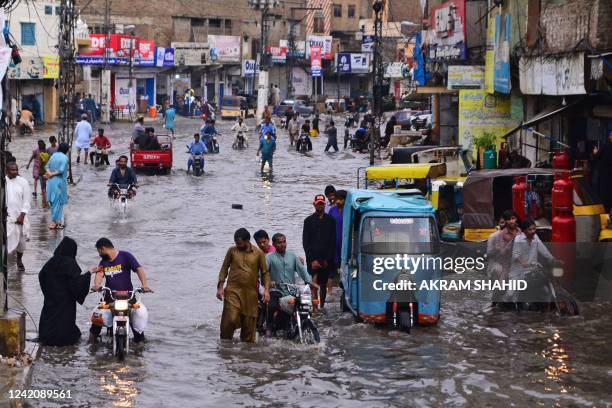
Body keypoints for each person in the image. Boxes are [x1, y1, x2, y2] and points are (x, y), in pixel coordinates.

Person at [89, 238, 153, 343]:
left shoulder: (126, 256)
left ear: (103, 249)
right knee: (97, 321)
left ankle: (140, 347)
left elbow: (139, 269)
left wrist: (144, 285)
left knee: (136, 322)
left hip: (128, 296)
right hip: (110, 297)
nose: (100, 255)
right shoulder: (103, 262)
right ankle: (91, 345)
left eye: (99, 252)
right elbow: (99, 274)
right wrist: (96, 285)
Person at [39, 237, 97, 346]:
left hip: (51, 300)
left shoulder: (51, 262)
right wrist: (89, 273)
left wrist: (48, 292)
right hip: (65, 302)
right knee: (64, 322)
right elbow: (76, 283)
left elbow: (41, 276)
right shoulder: (70, 264)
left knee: (49, 319)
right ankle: (64, 342)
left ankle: (45, 340)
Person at [217, 228, 270, 343]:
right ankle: (225, 346)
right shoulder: (232, 251)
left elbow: (265, 273)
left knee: (248, 329)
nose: (237, 245)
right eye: (236, 243)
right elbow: (224, 268)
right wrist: (220, 287)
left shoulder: (258, 253)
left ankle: (246, 356)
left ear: (247, 241)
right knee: (230, 319)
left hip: (250, 294)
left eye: (240, 244)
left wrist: (266, 291)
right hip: (233, 290)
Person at [265, 233, 319, 336]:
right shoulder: (269, 258)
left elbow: (302, 271)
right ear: (274, 244)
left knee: (304, 305)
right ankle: (269, 325)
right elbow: (264, 273)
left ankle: (302, 323)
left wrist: (311, 282)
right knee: (272, 305)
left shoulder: (293, 256)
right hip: (277, 289)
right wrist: (269, 282)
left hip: (291, 289)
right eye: (279, 242)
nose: (282, 244)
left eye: (284, 242)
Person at [508, 219, 555, 302]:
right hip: (518, 272)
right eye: (530, 229)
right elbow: (516, 255)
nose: (533, 231)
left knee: (547, 283)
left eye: (534, 229)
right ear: (524, 230)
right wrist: (523, 263)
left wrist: (553, 259)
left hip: (533, 269)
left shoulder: (536, 237)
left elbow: (543, 250)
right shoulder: (518, 239)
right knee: (510, 294)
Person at [303, 194, 336, 311]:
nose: (320, 206)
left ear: (324, 204)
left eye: (322, 204)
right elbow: (305, 243)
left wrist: (328, 259)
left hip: (326, 258)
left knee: (323, 284)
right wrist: (312, 260)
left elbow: (333, 242)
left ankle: (321, 306)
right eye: (318, 204)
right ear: (314, 204)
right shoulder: (308, 221)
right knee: (314, 283)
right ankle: (315, 308)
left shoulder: (331, 221)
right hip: (313, 258)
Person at [5, 162, 31, 271]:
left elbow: (27, 201)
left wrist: (22, 215)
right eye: (12, 170)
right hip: (7, 218)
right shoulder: (3, 182)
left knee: (21, 242)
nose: (15, 172)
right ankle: (4, 263)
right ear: (6, 171)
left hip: (20, 218)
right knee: (5, 241)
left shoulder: (23, 182)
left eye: (16, 169)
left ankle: (19, 260)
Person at [487, 210, 522, 287]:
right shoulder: (494, 236)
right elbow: (489, 253)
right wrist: (497, 249)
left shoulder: (520, 233)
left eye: (513, 219)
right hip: (498, 264)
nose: (511, 221)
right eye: (508, 220)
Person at [44, 143, 70, 229]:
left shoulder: (53, 155)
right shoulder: (65, 157)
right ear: (66, 149)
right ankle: (54, 222)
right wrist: (52, 174)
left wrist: (49, 173)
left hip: (51, 182)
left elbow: (46, 166)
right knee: (58, 202)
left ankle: (57, 222)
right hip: (59, 182)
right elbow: (61, 170)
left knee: (53, 202)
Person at [328, 190, 346, 294]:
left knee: (344, 268)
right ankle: (329, 292)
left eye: (340, 199)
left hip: (345, 244)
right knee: (331, 268)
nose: (338, 201)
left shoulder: (349, 211)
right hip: (333, 243)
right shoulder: (332, 211)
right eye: (337, 199)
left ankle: (344, 291)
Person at [591, 131, 612, 212]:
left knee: (605, 197)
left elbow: (594, 159)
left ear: (610, 137)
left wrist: (595, 153)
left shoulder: (605, 147)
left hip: (605, 177)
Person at [26, 140, 50, 204]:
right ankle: (35, 191)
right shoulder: (36, 151)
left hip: (43, 167)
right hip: (36, 167)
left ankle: (43, 192)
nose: (40, 145)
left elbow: (48, 159)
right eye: (39, 144)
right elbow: (32, 157)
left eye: (41, 144)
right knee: (36, 178)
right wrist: (28, 164)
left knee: (43, 180)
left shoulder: (45, 151)